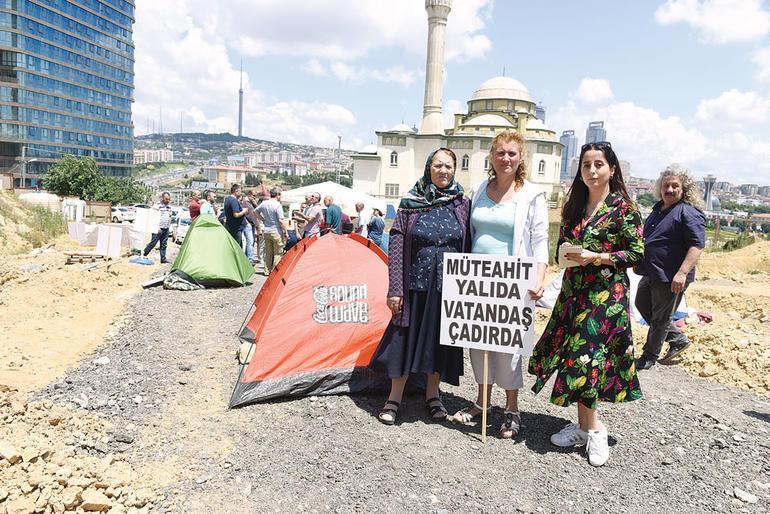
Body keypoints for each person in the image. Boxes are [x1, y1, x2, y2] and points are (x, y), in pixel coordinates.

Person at [527, 141, 644, 467]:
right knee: (578, 360)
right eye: (586, 165)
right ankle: (584, 426)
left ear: (612, 169)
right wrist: (566, 254)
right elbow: (559, 250)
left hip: (606, 298)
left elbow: (636, 253)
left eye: (598, 164)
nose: (592, 171)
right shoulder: (575, 207)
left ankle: (594, 431)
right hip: (574, 294)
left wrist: (599, 257)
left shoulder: (623, 209)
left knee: (586, 359)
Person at [450, 130, 548, 439]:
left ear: (521, 159)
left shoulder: (531, 194)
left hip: (512, 281)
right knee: (478, 343)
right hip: (477, 280)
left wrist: (540, 277)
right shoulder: (479, 188)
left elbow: (540, 239)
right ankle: (481, 402)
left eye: (512, 154)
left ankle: (511, 408)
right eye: (501, 152)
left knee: (509, 347)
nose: (506, 158)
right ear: (492, 156)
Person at [369, 148, 470, 425]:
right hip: (415, 285)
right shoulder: (410, 203)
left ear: (454, 170)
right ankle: (394, 397)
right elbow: (398, 244)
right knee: (405, 340)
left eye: (448, 166)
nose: (443, 171)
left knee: (439, 342)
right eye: (438, 165)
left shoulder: (461, 204)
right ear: (429, 168)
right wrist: (395, 289)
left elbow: (469, 244)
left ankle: (433, 395)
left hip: (448, 288)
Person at [634, 164, 706, 370]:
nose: (670, 190)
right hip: (652, 272)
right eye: (666, 185)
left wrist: (682, 273)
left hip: (671, 276)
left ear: (684, 189)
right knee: (642, 305)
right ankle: (677, 338)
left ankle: (649, 356)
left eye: (675, 186)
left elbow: (697, 245)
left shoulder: (688, 212)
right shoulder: (659, 209)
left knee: (660, 318)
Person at [256, 187, 288, 274]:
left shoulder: (264, 203)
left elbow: (255, 212)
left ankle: (266, 270)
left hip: (266, 230)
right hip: (276, 231)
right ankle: (275, 271)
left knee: (268, 252)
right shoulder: (278, 205)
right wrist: (286, 232)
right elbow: (281, 220)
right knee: (278, 253)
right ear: (277, 195)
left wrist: (263, 219)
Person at [143, 191, 173, 264]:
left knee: (164, 244)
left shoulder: (169, 206)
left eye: (169, 199)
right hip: (158, 228)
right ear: (162, 198)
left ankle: (163, 259)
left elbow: (169, 216)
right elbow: (153, 217)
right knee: (153, 243)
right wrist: (157, 227)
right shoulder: (157, 206)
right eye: (166, 199)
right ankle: (144, 254)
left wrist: (169, 225)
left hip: (166, 228)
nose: (168, 200)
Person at [241, 189, 258, 263]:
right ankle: (249, 259)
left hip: (253, 224)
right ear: (249, 195)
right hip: (247, 224)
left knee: (251, 242)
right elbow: (242, 212)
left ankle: (246, 257)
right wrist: (246, 222)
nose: (255, 197)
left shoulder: (252, 203)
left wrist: (255, 203)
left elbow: (257, 210)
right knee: (250, 241)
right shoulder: (244, 202)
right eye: (254, 196)